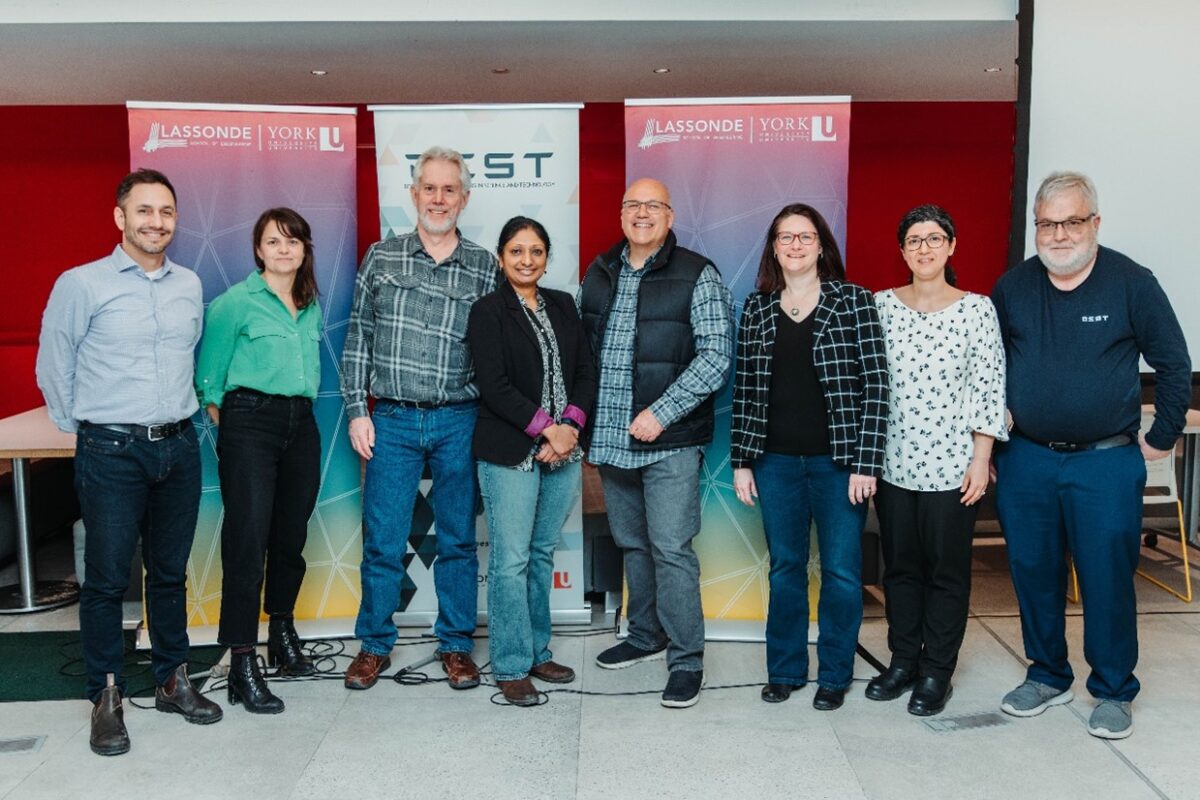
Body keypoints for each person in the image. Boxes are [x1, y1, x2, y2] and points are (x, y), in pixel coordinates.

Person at [993, 171, 1190, 739]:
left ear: (1095, 223)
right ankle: (1048, 674)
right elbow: (991, 364)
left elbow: (1174, 364)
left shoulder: (1132, 283)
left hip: (1105, 462)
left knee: (1106, 577)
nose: (1058, 234)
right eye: (1047, 224)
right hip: (1027, 459)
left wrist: (1162, 435)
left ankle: (1112, 689)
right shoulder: (1013, 287)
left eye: (1071, 221)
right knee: (1033, 571)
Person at [36, 169, 222, 756]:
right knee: (108, 581)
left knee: (169, 573)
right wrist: (87, 427)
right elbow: (53, 364)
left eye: (166, 212)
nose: (156, 222)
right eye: (144, 211)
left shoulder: (189, 284)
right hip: (110, 450)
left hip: (178, 446)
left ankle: (172, 679)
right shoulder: (81, 284)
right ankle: (105, 698)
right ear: (120, 217)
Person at [340, 146, 498, 691]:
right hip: (394, 422)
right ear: (413, 194)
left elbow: (499, 352)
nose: (438, 198)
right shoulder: (381, 257)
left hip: (461, 419)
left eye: (449, 189)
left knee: (456, 538)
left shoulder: (485, 264)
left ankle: (456, 645)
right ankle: (374, 645)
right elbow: (358, 336)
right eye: (428, 188)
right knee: (384, 539)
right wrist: (359, 411)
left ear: (465, 197)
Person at [578, 177, 733, 709]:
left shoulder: (698, 274)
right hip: (612, 441)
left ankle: (687, 660)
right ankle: (644, 635)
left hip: (668, 442)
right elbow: (582, 355)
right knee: (633, 544)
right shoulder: (599, 273)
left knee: (670, 549)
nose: (641, 213)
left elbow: (716, 356)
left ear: (669, 216)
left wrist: (660, 414)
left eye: (653, 206)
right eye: (632, 205)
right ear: (621, 214)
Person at [730, 203, 888, 711]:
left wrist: (867, 461)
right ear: (774, 248)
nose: (795, 245)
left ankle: (835, 674)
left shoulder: (855, 302)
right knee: (785, 569)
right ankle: (786, 671)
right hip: (775, 463)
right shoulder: (756, 309)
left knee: (842, 572)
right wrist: (741, 461)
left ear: (822, 245)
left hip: (838, 464)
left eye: (805, 236)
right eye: (784, 237)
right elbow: (746, 390)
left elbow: (877, 384)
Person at [867, 204, 1007, 716]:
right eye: (914, 240)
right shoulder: (880, 305)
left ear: (952, 246)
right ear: (902, 250)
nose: (924, 248)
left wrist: (981, 457)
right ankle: (903, 660)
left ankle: (936, 672)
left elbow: (988, 388)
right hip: (894, 463)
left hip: (954, 467)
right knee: (900, 568)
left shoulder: (977, 309)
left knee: (947, 572)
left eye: (934, 238)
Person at [194, 208, 323, 713]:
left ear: (304, 249)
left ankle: (282, 634)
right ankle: (243, 659)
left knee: (290, 537)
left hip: (302, 423)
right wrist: (241, 430)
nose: (284, 249)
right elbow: (209, 380)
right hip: (250, 421)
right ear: (258, 250)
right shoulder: (235, 303)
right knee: (247, 539)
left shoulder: (309, 303)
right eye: (274, 241)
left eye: (292, 241)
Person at [467, 217, 596, 706]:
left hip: (564, 451)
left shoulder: (563, 305)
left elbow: (586, 370)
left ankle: (539, 648)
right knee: (511, 561)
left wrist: (571, 428)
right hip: (510, 452)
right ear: (501, 257)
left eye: (536, 251)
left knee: (542, 554)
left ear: (547, 257)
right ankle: (512, 663)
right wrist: (549, 429)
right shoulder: (487, 311)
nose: (527, 260)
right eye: (517, 251)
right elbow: (494, 386)